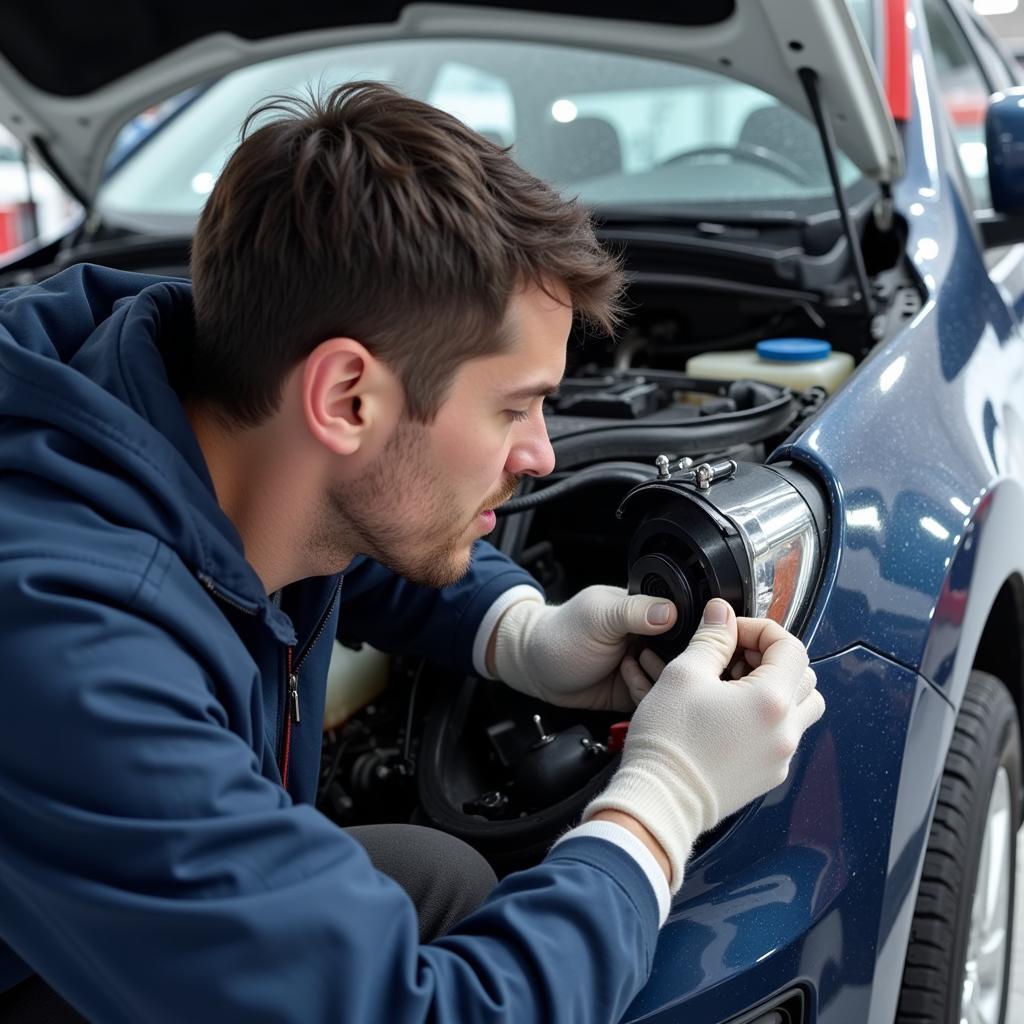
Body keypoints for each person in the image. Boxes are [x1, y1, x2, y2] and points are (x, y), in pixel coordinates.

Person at [0, 82, 825, 1023]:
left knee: (432, 880)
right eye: (514, 406)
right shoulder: (74, 652)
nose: (541, 455)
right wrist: (660, 806)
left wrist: (518, 631)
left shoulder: (186, 388)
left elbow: (333, 517)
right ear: (347, 396)